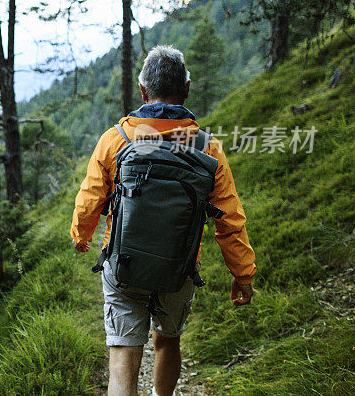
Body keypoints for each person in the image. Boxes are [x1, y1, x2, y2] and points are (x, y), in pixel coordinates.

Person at [71, 45, 256, 396]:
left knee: (124, 350)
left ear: (143, 92)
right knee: (168, 340)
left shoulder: (117, 139)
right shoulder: (206, 147)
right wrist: (242, 274)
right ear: (186, 89)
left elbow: (90, 197)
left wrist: (82, 236)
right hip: (178, 269)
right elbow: (229, 220)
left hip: (123, 265)